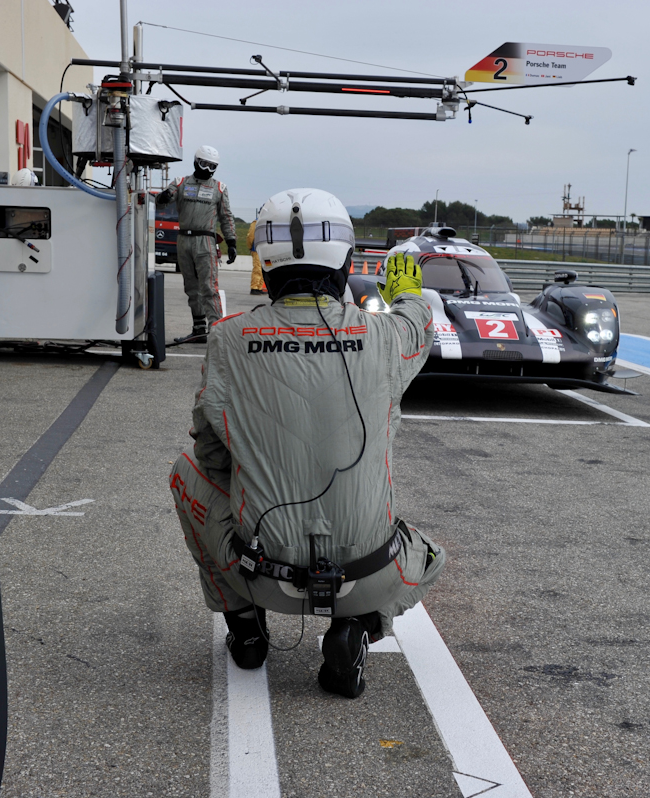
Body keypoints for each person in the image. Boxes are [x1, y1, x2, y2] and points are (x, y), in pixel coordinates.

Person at [168, 188, 445, 698]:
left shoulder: (228, 339)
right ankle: (360, 627)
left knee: (185, 472)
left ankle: (245, 628)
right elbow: (420, 321)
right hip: (372, 572)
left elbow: (209, 454)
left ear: (265, 264)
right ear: (343, 260)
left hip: (261, 573)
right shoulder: (385, 338)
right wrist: (405, 290)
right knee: (430, 555)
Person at [156, 145, 236, 344]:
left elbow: (226, 217)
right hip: (184, 240)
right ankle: (199, 329)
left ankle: (217, 331)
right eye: (204, 164)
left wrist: (232, 241)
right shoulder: (180, 183)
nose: (207, 170)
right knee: (191, 288)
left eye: (212, 166)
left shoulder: (219, 188)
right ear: (195, 162)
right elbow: (161, 201)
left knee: (209, 287)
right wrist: (162, 197)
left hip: (205, 241)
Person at [246, 218, 266, 295]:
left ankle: (259, 287)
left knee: (263, 268)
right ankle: (254, 287)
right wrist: (251, 247)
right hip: (258, 248)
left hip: (263, 248)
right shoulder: (257, 222)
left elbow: (250, 236)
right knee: (258, 268)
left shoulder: (261, 221)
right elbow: (251, 235)